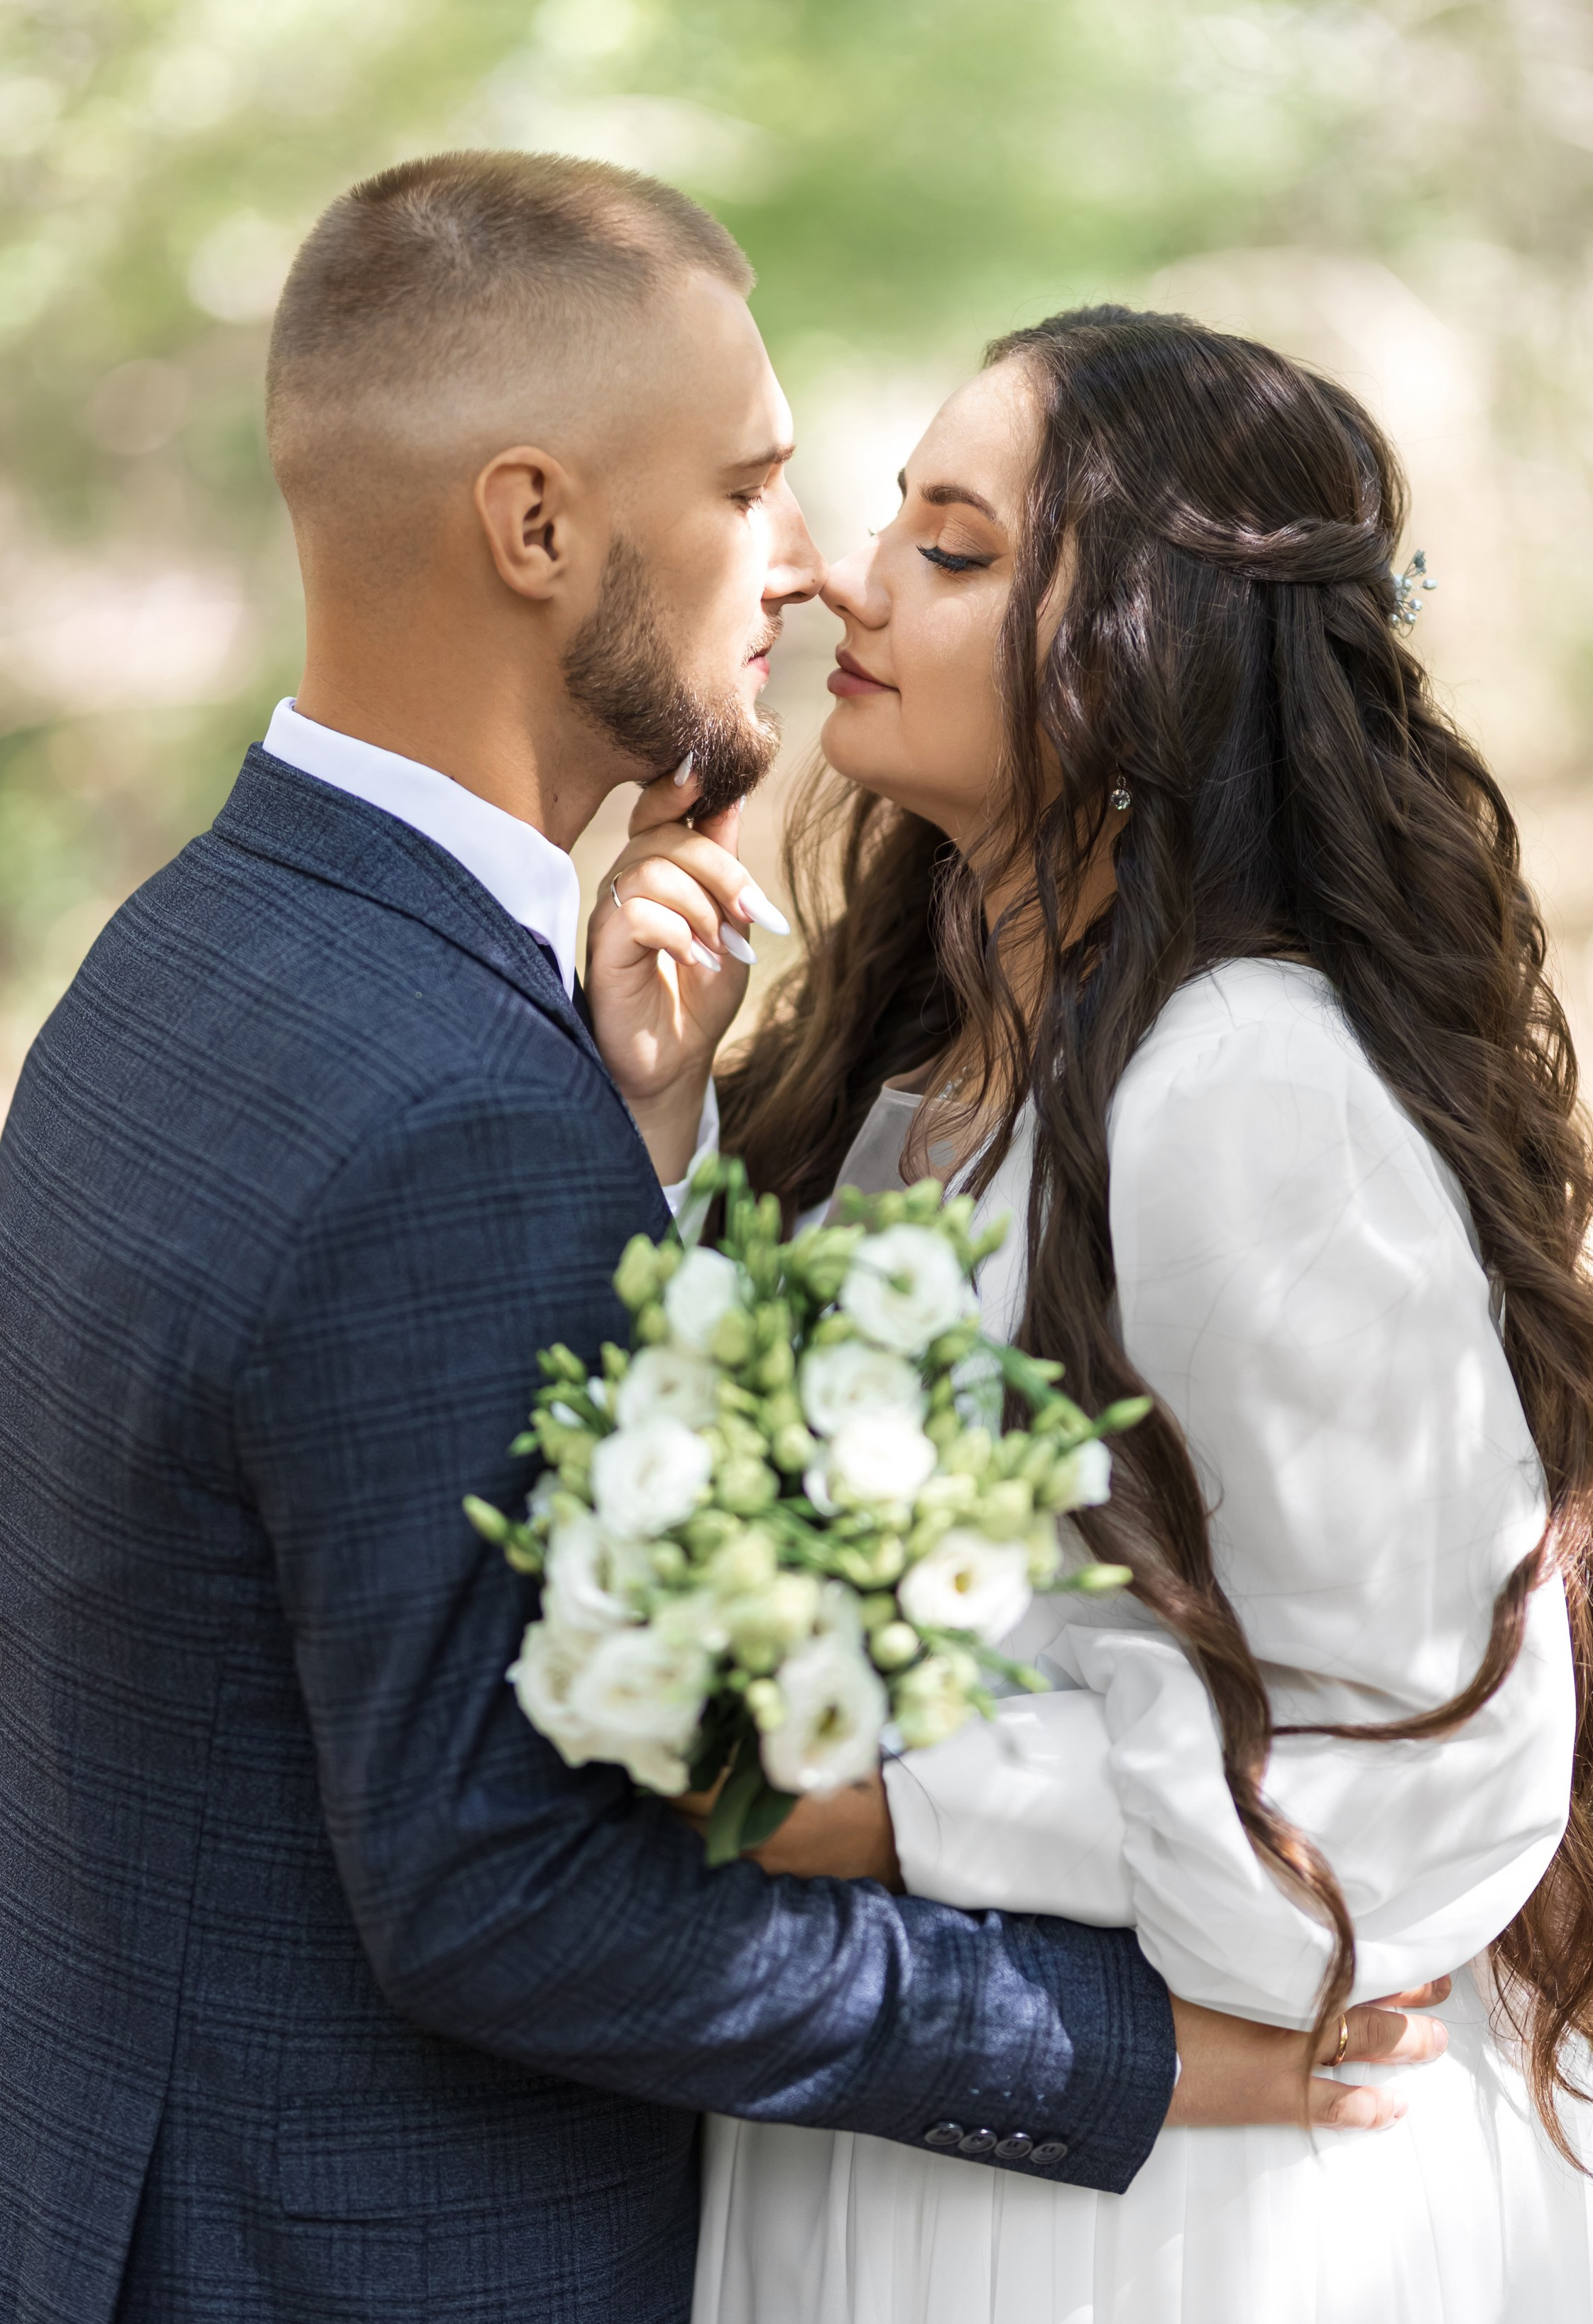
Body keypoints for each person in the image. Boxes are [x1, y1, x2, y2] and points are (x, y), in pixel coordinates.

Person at [0, 165, 1430, 2324]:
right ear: (535, 528)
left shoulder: (189, 956)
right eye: (755, 487)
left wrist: (643, 1147)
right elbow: (511, 1892)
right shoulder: (450, 1100)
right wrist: (1138, 2061)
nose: (815, 571)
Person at [592, 306, 1593, 2322]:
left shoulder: (1245, 1086)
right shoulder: (919, 1076)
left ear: (1140, 650)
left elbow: (1420, 1777)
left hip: (1178, 2217)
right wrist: (660, 1118)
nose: (858, 584)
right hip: (941, 2130)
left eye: (956, 552)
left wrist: (866, 1807)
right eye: (902, 524)